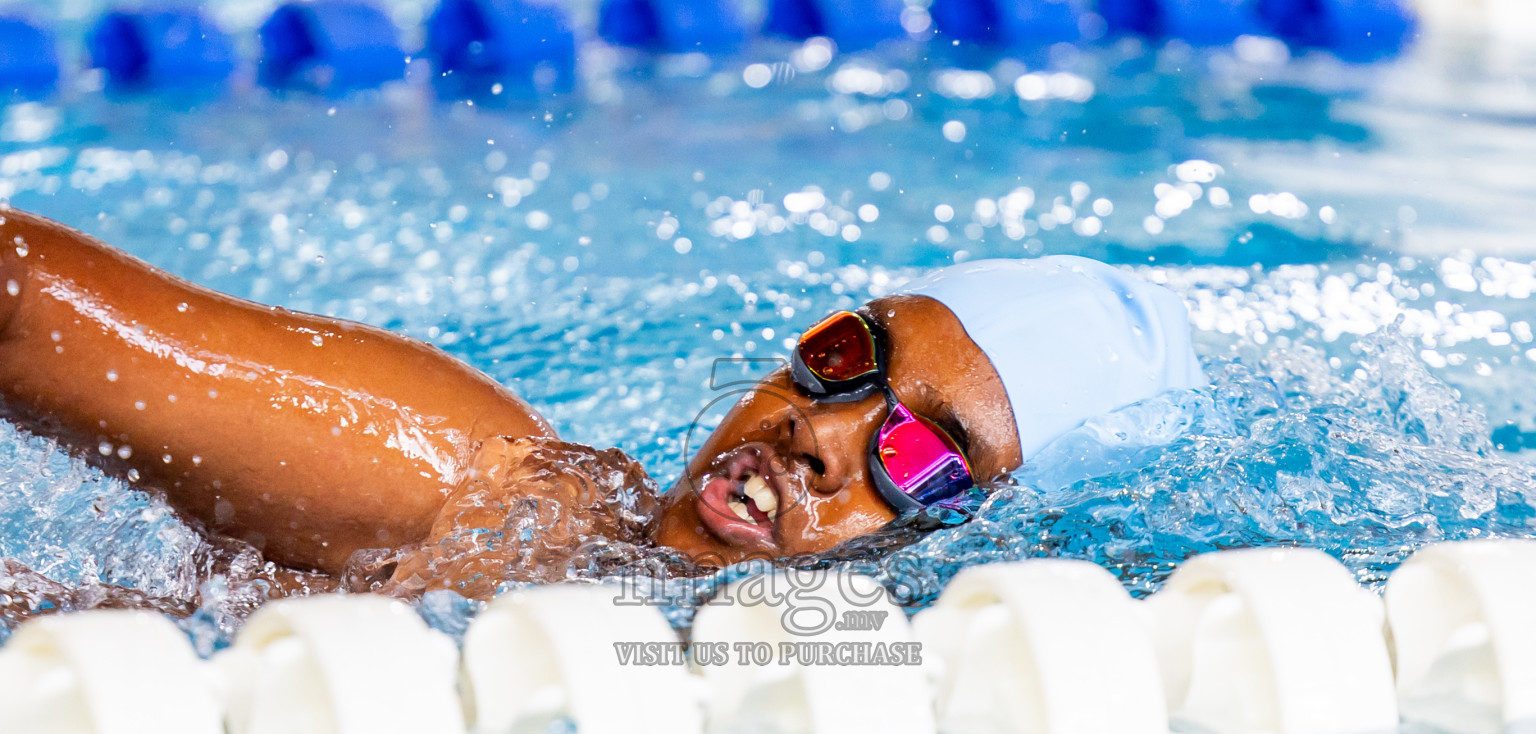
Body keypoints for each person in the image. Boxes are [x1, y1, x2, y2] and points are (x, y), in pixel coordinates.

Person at [0, 208, 1206, 611]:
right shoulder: (485, 490)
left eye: (917, 455)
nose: (820, 434)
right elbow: (22, 301)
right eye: (846, 360)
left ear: (984, 538)